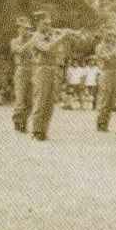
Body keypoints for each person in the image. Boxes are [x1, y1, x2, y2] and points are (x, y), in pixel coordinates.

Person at [27, 11, 74, 141]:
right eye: (45, 24)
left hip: (54, 70)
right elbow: (46, 49)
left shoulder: (51, 36)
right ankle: (36, 131)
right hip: (42, 69)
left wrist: (63, 38)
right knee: (41, 101)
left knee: (50, 103)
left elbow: (59, 52)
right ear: (38, 23)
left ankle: (44, 131)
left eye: (49, 24)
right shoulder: (35, 37)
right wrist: (61, 37)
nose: (48, 26)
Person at [10, 17, 36, 132]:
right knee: (20, 98)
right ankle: (18, 122)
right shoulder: (15, 41)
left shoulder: (33, 41)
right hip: (21, 70)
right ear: (19, 29)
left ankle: (24, 121)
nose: (27, 31)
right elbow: (20, 51)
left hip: (33, 70)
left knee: (30, 100)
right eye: (24, 28)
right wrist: (32, 40)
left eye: (28, 29)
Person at [94, 28, 116, 132]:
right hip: (106, 73)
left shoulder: (112, 46)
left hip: (114, 73)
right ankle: (101, 123)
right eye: (109, 35)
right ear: (104, 36)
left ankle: (106, 122)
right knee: (105, 99)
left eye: (112, 35)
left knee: (111, 100)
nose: (111, 38)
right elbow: (107, 58)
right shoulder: (100, 47)